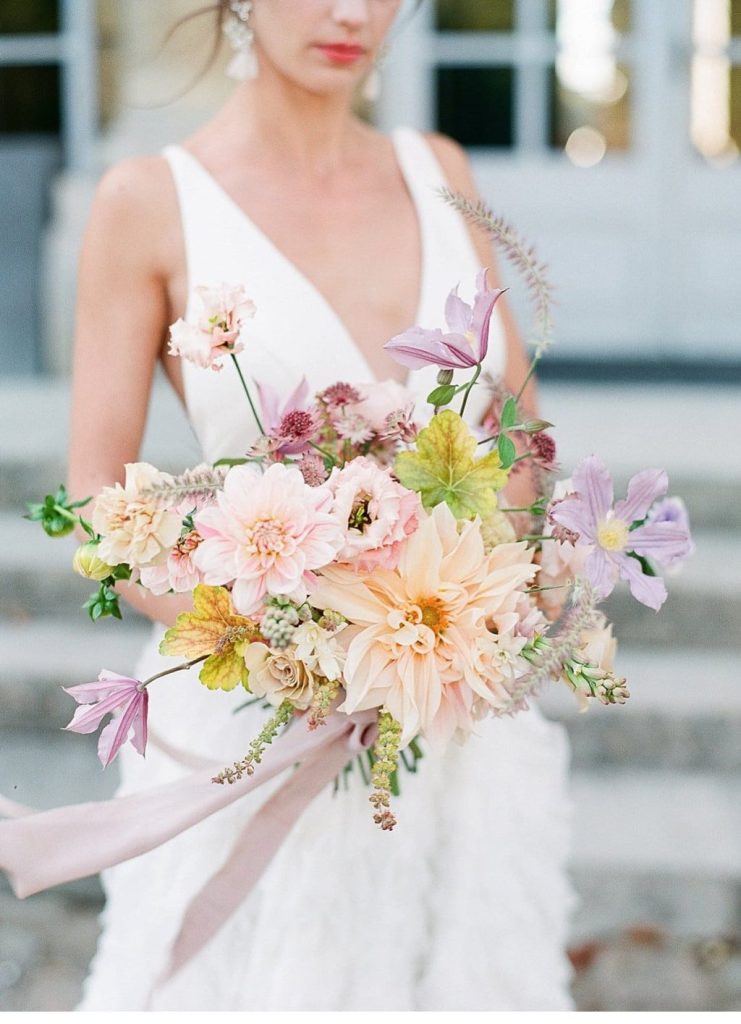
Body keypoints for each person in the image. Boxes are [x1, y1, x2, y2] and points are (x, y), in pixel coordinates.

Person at [67, 0, 575, 1010]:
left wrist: (502, 599)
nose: (353, 13)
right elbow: (93, 498)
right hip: (254, 709)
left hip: (451, 716)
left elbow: (520, 436)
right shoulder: (148, 201)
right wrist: (275, 641)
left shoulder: (443, 172)